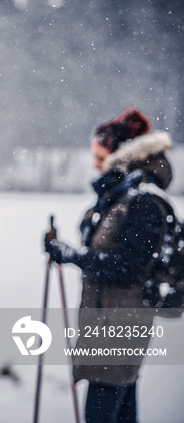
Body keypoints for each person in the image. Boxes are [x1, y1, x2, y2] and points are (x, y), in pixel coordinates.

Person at [44, 107, 173, 423]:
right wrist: (67, 250)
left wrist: (73, 256)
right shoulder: (119, 197)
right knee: (122, 412)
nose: (95, 165)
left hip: (121, 328)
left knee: (101, 414)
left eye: (100, 157)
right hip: (107, 322)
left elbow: (128, 267)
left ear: (122, 155)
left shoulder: (143, 201)